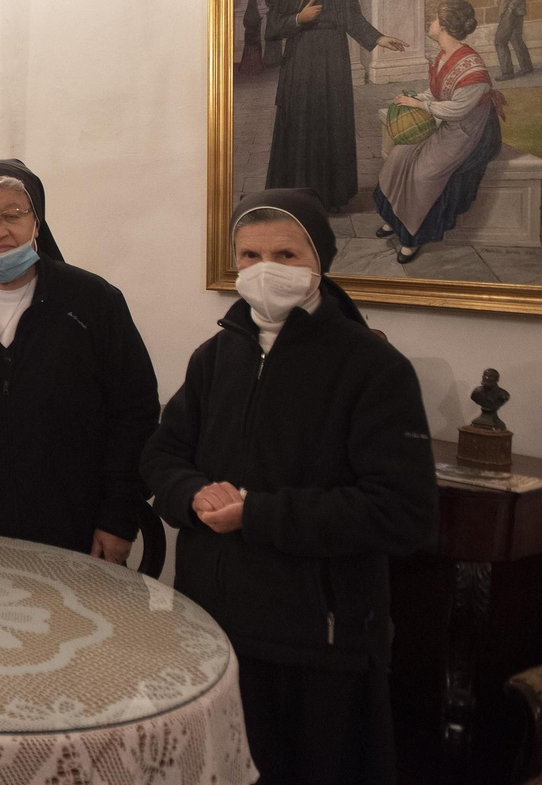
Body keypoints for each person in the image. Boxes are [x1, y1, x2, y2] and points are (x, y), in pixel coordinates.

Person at [141, 188, 437, 785]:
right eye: (248, 255)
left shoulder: (372, 368)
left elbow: (404, 513)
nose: (264, 269)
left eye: (285, 253)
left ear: (319, 262)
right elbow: (163, 455)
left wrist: (259, 513)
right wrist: (192, 495)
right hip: (214, 632)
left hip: (319, 643)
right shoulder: (215, 356)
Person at [0, 161, 159, 560]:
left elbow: (135, 414)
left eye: (11, 215)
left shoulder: (93, 303)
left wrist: (118, 517)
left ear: (37, 222)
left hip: (78, 525)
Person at [264, 0, 407, 211]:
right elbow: (273, 27)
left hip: (335, 56)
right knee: (306, 124)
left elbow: (351, 16)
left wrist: (378, 38)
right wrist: (298, 18)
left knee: (333, 121)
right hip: (303, 57)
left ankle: (332, 195)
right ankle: (301, 197)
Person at [373, 0, 507, 263]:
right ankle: (394, 218)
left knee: (424, 174)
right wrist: (412, 98)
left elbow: (458, 110)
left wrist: (420, 104)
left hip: (470, 133)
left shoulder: (473, 67)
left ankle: (412, 237)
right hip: (447, 124)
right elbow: (435, 93)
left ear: (444, 27)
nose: (430, 23)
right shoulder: (443, 55)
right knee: (399, 157)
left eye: (434, 19)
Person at [237, 0, 265, 77]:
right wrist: (259, 20)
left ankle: (247, 68)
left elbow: (245, 23)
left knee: (248, 51)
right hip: (255, 35)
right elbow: (256, 23)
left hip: (248, 35)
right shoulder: (255, 12)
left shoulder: (247, 12)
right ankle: (255, 68)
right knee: (255, 51)